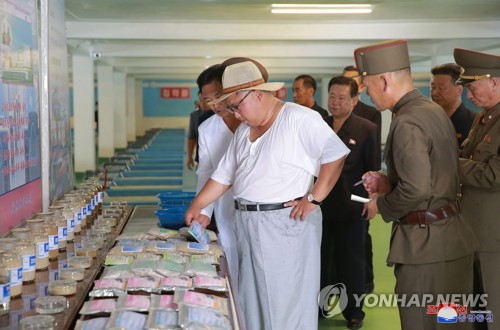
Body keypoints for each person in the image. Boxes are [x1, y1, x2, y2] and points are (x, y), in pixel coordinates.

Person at [185, 59, 350, 330]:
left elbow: (335, 155)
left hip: (283, 223)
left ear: (258, 94)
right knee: (252, 304)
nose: (235, 114)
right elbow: (223, 176)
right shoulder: (244, 131)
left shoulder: (298, 118)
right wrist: (198, 205)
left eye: (236, 106)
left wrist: (314, 198)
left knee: (284, 306)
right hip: (248, 222)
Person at [357, 40, 476, 330]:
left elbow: (416, 190)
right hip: (450, 238)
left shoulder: (407, 121)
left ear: (384, 81)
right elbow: (436, 173)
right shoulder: (432, 110)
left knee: (422, 323)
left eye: (367, 86)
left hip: (424, 248)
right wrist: (388, 182)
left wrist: (380, 202)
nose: (367, 94)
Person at [196, 57, 268, 305]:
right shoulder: (207, 129)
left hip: (260, 203)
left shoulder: (256, 121)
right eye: (208, 99)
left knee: (261, 266)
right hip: (225, 205)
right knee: (233, 264)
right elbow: (205, 172)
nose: (215, 104)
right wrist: (203, 210)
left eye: (218, 96)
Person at [320, 76, 380, 329]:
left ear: (354, 101)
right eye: (332, 96)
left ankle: (354, 311)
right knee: (320, 259)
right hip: (319, 207)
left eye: (341, 97)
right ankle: (320, 304)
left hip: (351, 205)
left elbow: (374, 170)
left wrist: (373, 199)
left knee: (352, 260)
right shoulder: (319, 125)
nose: (335, 102)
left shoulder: (366, 129)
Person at [454, 48, 500, 328]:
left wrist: (449, 162)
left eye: (473, 87)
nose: (469, 95)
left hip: (493, 238)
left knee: (493, 311)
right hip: (472, 233)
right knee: (476, 314)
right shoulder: (483, 118)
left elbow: (494, 174)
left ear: (494, 82)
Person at [342, 64, 381, 294]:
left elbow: (373, 159)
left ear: (362, 86)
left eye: (352, 82)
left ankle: (366, 281)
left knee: (361, 238)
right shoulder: (331, 118)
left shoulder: (370, 114)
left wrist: (372, 196)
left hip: (359, 187)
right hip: (338, 191)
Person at [431, 63, 477, 147]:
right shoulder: (428, 120)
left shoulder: (475, 122)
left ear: (458, 90)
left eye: (441, 88)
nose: (434, 93)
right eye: (433, 87)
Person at [186, 71, 216, 170]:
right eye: (201, 100)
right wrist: (189, 157)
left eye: (206, 100)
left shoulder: (218, 114)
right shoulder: (195, 116)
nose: (203, 102)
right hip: (202, 158)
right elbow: (192, 137)